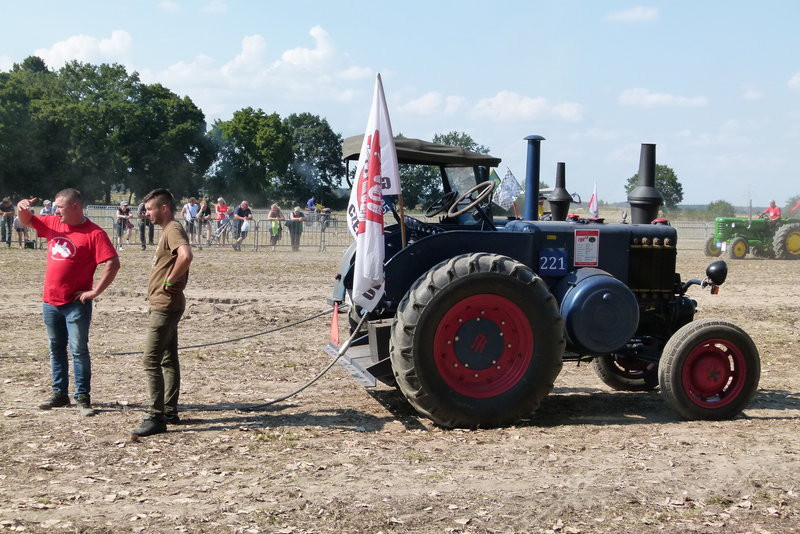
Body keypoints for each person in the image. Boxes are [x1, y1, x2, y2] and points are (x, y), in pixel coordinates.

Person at [17, 190, 120, 417]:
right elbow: (27, 221)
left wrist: (95, 291)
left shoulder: (94, 233)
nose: (55, 211)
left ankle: (82, 397)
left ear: (75, 207)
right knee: (56, 348)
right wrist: (21, 208)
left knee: (78, 350)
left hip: (76, 304)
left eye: (60, 207)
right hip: (50, 302)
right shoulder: (54, 223)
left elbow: (112, 263)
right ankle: (59, 394)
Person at [132, 188, 193, 437]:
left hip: (165, 305)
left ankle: (157, 417)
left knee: (150, 360)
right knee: (168, 359)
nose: (147, 214)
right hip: (167, 304)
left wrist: (169, 282)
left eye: (150, 209)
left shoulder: (173, 229)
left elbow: (186, 256)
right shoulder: (168, 231)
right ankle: (170, 411)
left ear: (164, 208)